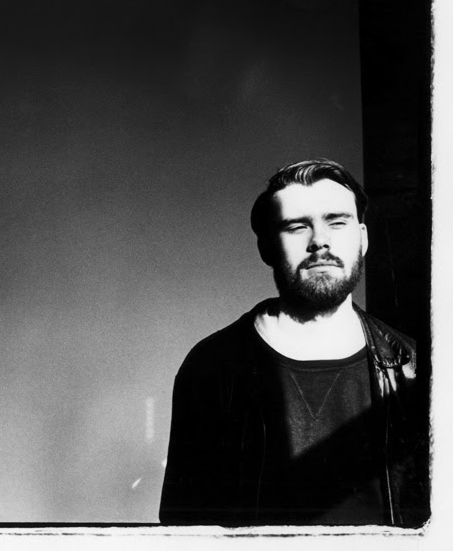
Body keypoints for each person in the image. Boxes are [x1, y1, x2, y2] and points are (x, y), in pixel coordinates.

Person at [159, 159, 428, 526]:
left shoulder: (414, 367)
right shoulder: (212, 368)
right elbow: (183, 527)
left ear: (363, 239)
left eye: (337, 222)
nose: (320, 241)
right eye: (297, 226)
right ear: (267, 247)